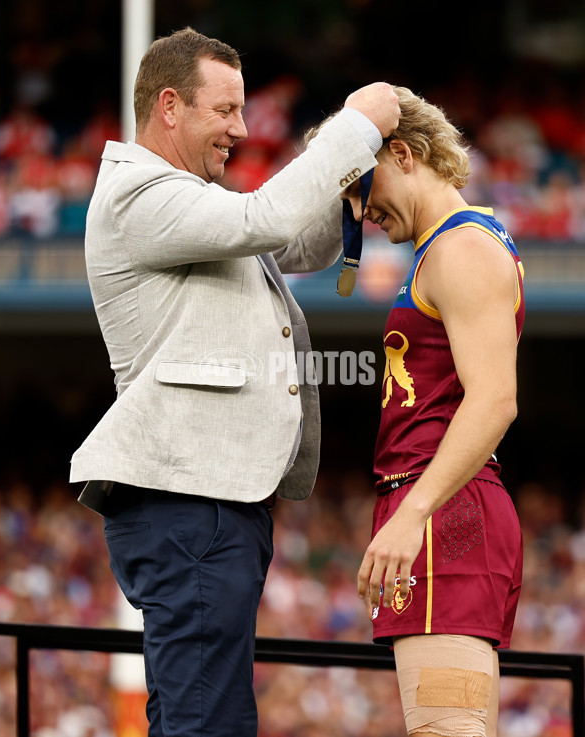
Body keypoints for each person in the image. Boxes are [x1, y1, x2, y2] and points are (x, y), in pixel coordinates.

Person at [69, 26, 399, 737]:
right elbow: (267, 216)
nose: (241, 129)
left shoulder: (185, 202)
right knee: (204, 720)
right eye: (225, 110)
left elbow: (294, 241)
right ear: (168, 106)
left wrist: (344, 185)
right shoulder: (137, 195)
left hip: (209, 498)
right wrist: (356, 128)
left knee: (205, 714)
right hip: (188, 497)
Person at [349, 87, 524, 737]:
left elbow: (495, 398)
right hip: (444, 504)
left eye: (361, 187)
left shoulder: (460, 247)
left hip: (442, 508)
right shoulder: (447, 245)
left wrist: (414, 513)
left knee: (444, 730)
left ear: (401, 153)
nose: (359, 211)